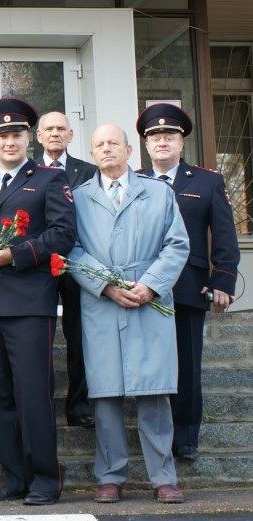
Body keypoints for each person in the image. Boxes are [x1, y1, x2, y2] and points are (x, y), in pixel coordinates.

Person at [0, 98, 76, 506]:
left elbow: (63, 234)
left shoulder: (48, 180)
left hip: (29, 304)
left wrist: (16, 254)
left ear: (28, 137)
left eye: (16, 134)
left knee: (32, 394)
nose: (9, 141)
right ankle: (14, 476)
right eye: (1, 135)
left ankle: (45, 478)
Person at [70, 123, 189, 504]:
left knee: (154, 391)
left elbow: (177, 244)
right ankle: (110, 476)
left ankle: (163, 477)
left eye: (113, 143)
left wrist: (151, 283)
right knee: (105, 394)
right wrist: (104, 284)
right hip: (102, 302)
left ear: (128, 150)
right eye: (99, 145)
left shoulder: (158, 193)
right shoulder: (79, 197)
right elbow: (71, 249)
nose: (106, 149)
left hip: (148, 299)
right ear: (92, 154)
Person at [136, 103, 241, 461]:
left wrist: (222, 280)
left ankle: (184, 437)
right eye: (155, 136)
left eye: (170, 135)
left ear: (182, 144)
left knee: (186, 365)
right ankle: (149, 434)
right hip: (140, 288)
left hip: (188, 286)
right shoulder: (134, 180)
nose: (162, 141)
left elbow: (224, 235)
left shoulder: (208, 181)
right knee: (147, 364)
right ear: (146, 145)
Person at [35, 111, 99, 428]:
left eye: (62, 128)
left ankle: (79, 405)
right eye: (49, 129)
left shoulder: (89, 172)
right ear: (39, 136)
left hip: (78, 265)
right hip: (38, 267)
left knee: (80, 336)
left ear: (71, 135)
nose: (56, 133)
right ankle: (40, 405)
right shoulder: (26, 170)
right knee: (36, 339)